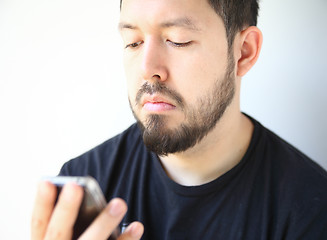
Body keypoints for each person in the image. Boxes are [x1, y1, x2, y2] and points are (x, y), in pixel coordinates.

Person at [31, 0, 327, 239]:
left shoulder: (310, 209)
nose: (148, 69)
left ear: (244, 52)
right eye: (133, 42)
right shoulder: (85, 186)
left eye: (178, 40)